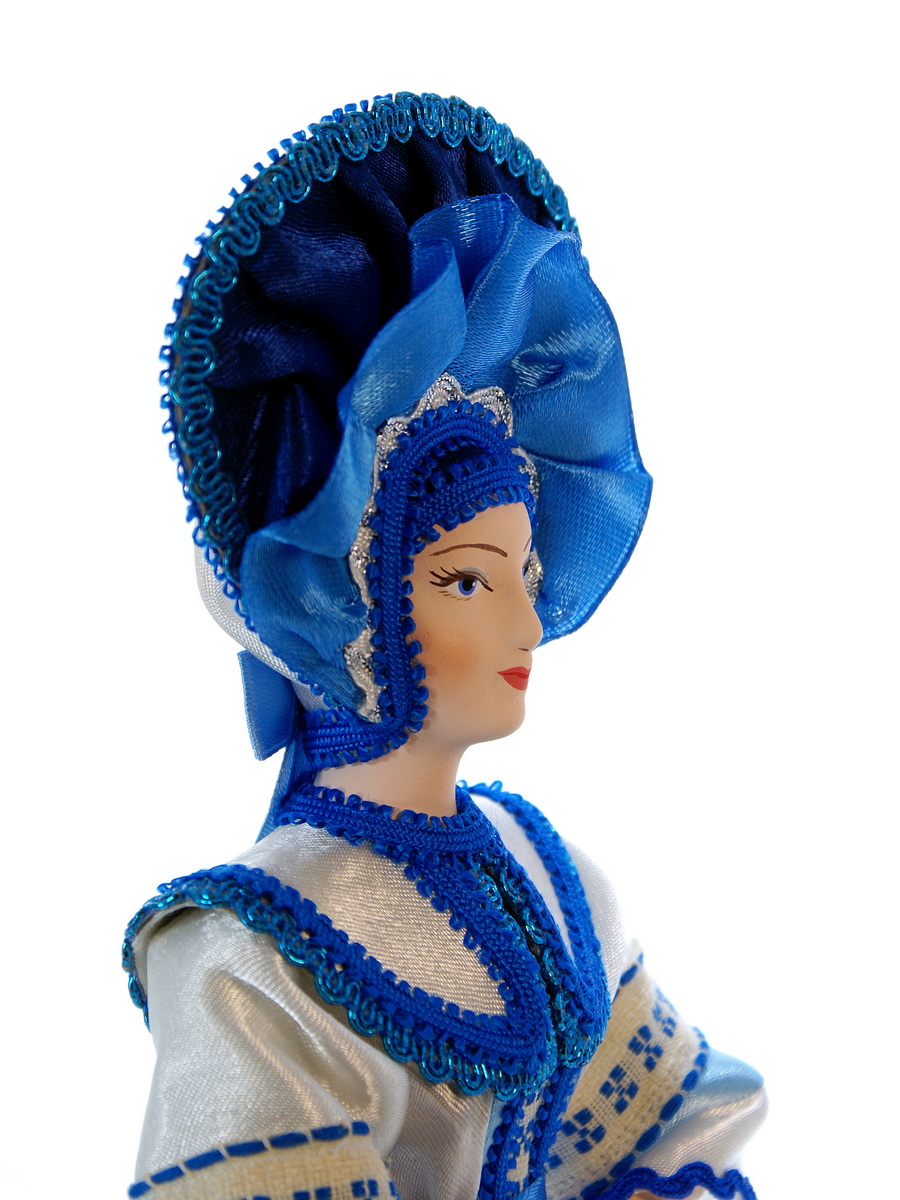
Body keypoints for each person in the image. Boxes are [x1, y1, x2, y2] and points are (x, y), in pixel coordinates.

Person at [124, 93, 766, 1200]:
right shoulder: (250, 953)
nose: (527, 623)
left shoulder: (552, 879)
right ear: (345, 604)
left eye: (523, 574)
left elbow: (679, 1130)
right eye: (466, 581)